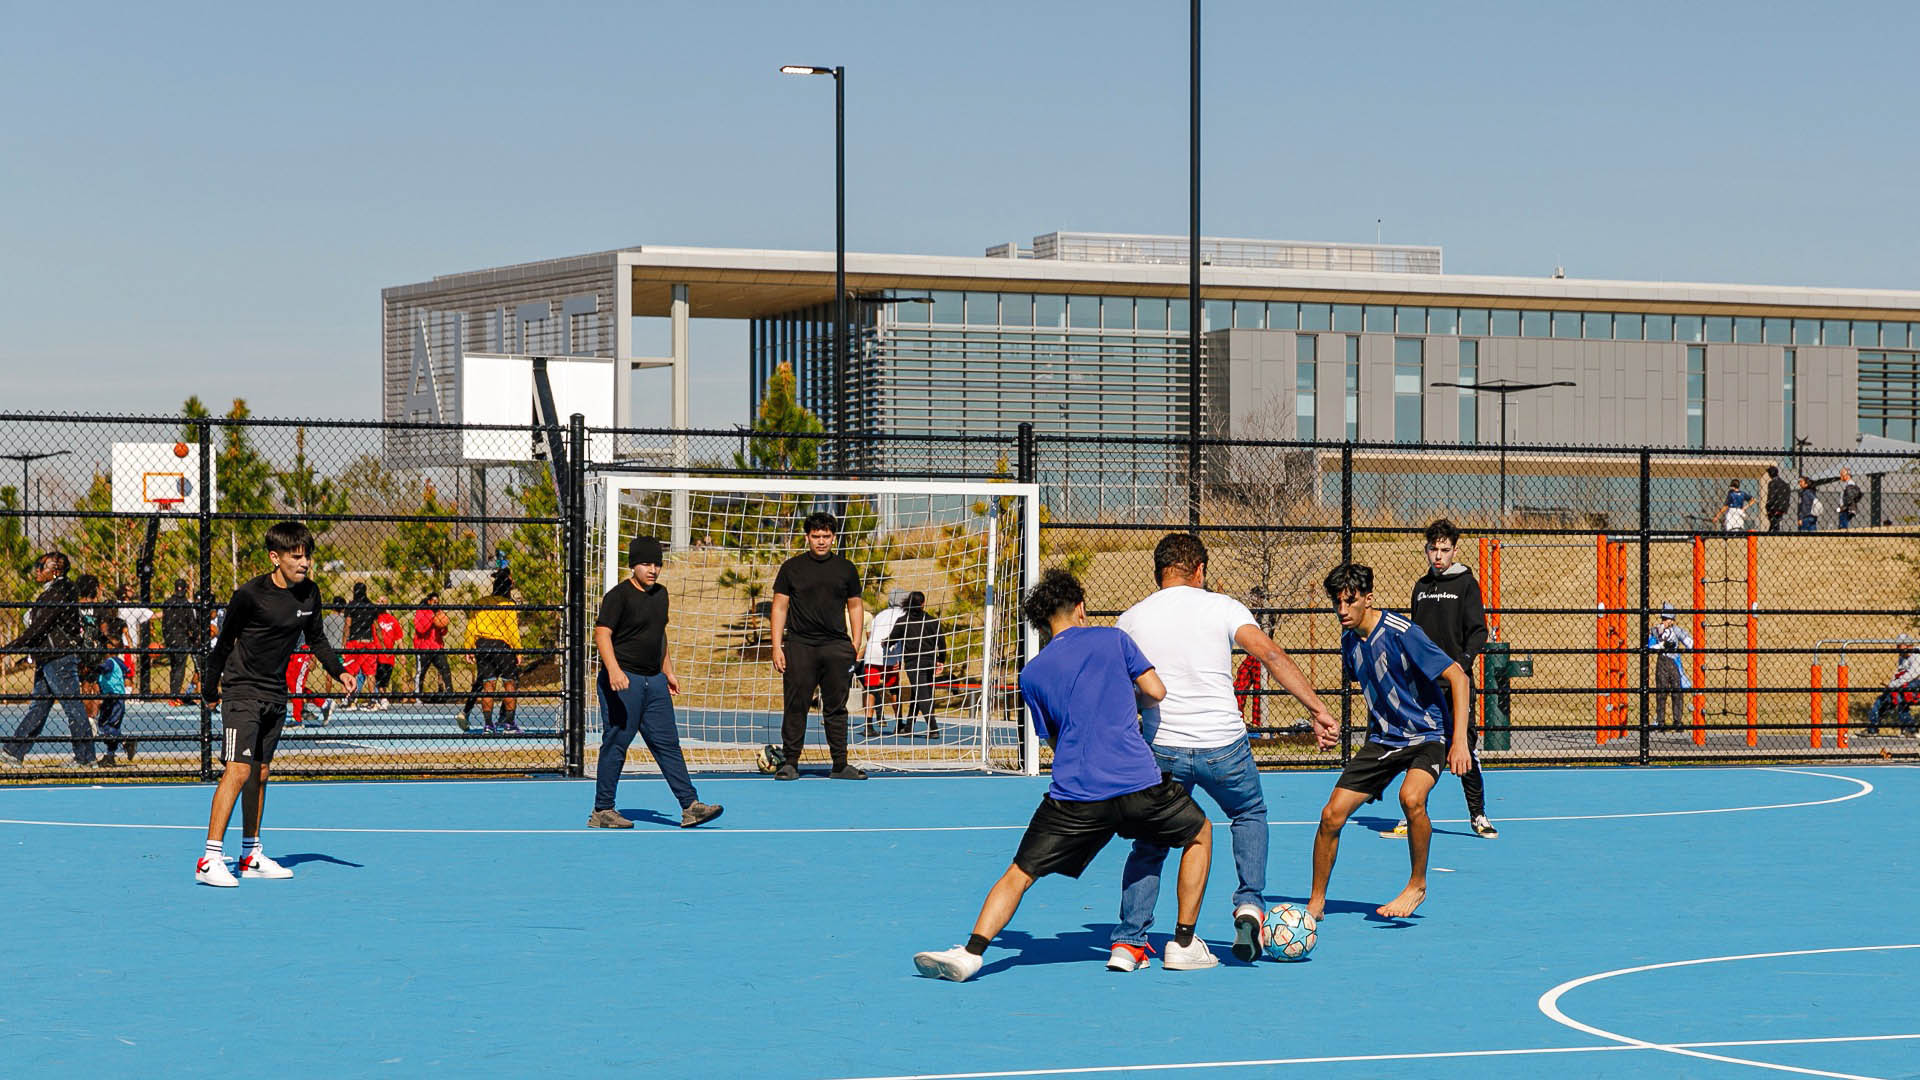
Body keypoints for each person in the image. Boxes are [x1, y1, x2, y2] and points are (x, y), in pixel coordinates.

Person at [911, 568, 1215, 982]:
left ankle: (971, 953)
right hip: (1139, 784)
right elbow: (1155, 691)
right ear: (1081, 608)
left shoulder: (1032, 674)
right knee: (1199, 833)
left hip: (1075, 795)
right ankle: (1182, 944)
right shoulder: (1114, 639)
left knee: (1019, 873)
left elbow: (1055, 738)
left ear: (1041, 625)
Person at [1110, 533, 1337, 970]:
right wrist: (1317, 709)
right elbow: (1269, 654)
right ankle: (1249, 905)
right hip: (1223, 745)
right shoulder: (1223, 607)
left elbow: (1121, 687)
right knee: (1248, 813)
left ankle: (1128, 943)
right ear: (1199, 570)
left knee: (1151, 841)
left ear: (1158, 573)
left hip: (1163, 749)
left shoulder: (1132, 619)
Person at [1306, 563, 1471, 922]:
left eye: (1350, 601)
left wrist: (1459, 741)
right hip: (1383, 741)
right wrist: (1330, 728)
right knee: (1331, 815)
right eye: (1336, 603)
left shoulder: (1403, 632)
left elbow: (1458, 677)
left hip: (1427, 735)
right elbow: (1378, 690)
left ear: (1368, 598)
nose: (1342, 610)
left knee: (1411, 798)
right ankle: (1316, 903)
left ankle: (1417, 885)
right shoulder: (1349, 641)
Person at [195, 521, 348, 887]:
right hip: (242, 690)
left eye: (307, 556)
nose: (304, 563)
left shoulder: (310, 594)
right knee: (238, 770)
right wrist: (210, 687)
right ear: (275, 558)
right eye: (296, 557)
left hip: (275, 692)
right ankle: (209, 859)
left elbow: (317, 639)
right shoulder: (249, 595)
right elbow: (224, 643)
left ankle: (250, 855)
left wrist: (339, 671)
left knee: (260, 772)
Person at [588, 535, 723, 829]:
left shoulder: (661, 594)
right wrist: (614, 671)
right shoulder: (618, 596)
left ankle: (690, 806)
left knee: (668, 744)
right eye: (646, 564)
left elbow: (658, 635)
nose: (652, 570)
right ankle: (602, 810)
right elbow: (602, 634)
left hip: (655, 682)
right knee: (617, 742)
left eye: (657, 564)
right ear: (633, 565)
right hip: (624, 681)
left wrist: (668, 671)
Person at [1400, 519, 1498, 839]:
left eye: (1444, 550)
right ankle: (1414, 814)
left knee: (1463, 747)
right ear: (1426, 551)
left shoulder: (1466, 584)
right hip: (1424, 686)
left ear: (1455, 550)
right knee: (1421, 747)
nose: (1438, 555)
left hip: (1456, 685)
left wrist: (1461, 665)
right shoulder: (1420, 587)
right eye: (1433, 549)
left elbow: (1478, 631)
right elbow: (1415, 635)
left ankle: (1478, 814)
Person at [769, 511, 867, 780]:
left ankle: (840, 764)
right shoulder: (791, 568)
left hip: (836, 647)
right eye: (816, 536)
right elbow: (779, 607)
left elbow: (855, 605)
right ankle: (790, 763)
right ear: (807, 538)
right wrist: (776, 646)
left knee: (836, 707)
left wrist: (856, 641)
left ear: (833, 537)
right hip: (800, 646)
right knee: (796, 705)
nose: (821, 541)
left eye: (826, 536)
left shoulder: (846, 569)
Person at [1, 552, 94, 768]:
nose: (37, 570)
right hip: (48, 656)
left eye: (41, 566)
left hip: (58, 657)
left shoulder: (58, 593)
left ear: (55, 571)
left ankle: (85, 758)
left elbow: (39, 627)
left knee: (72, 706)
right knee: (39, 707)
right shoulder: (59, 590)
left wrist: (8, 649)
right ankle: (13, 752)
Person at [463, 569, 521, 733]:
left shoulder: (480, 602)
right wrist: (518, 650)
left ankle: (488, 725)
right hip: (502, 645)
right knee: (509, 683)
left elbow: (471, 627)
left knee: (488, 685)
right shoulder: (507, 605)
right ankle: (509, 723)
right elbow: (512, 630)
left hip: (482, 645)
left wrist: (469, 647)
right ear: (508, 590)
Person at [891, 591, 948, 738]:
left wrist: (884, 642)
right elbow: (941, 643)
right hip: (929, 662)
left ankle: (933, 728)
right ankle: (909, 727)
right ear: (923, 604)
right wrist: (941, 659)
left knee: (922, 695)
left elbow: (891, 639)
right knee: (918, 693)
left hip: (913, 663)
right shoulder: (933, 621)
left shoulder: (903, 621)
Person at [859, 588, 907, 737]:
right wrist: (899, 658)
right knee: (893, 688)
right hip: (890, 653)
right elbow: (902, 638)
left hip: (872, 653)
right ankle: (899, 722)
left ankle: (868, 724)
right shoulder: (904, 614)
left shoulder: (880, 615)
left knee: (871, 688)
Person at [93, 616, 134, 766]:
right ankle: (110, 755)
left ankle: (125, 741)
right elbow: (126, 670)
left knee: (105, 724)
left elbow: (103, 668)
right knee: (112, 726)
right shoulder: (118, 661)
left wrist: (93, 666)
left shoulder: (110, 662)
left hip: (113, 698)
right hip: (114, 697)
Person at [1646, 602, 1693, 731]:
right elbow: (1649, 647)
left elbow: (1690, 643)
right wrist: (1662, 645)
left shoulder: (1677, 631)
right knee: (1661, 693)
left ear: (1672, 620)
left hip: (1674, 662)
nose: (1665, 621)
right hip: (1662, 662)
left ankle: (1677, 721)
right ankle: (1660, 721)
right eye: (1663, 618)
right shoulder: (1656, 631)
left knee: (1677, 692)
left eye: (1667, 619)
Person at [1867, 634, 1920, 737]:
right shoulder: (1902, 657)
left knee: (1900, 696)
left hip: (1916, 685)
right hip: (1903, 686)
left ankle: (1911, 729)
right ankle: (1872, 729)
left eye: (1899, 645)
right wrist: (1891, 684)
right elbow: (1898, 673)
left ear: (1908, 645)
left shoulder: (1917, 655)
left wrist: (1894, 685)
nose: (1897, 648)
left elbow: (1913, 674)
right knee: (1881, 700)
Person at [160, 579, 200, 704]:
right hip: (181, 637)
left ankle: (173, 694)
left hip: (170, 637)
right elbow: (192, 623)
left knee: (174, 666)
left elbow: (164, 623)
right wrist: (197, 635)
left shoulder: (168, 602)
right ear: (185, 589)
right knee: (180, 667)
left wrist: (166, 638)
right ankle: (175, 695)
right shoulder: (186, 603)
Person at [341, 582, 380, 709]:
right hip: (368, 642)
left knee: (350, 672)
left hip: (354, 642)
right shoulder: (371, 606)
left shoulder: (351, 606)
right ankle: (373, 701)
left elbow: (348, 625)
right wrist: (381, 643)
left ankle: (350, 700)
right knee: (370, 673)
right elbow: (377, 627)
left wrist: (344, 643)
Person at [411, 592, 453, 702]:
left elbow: (443, 633)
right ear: (429, 601)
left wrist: (443, 625)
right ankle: (418, 695)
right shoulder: (421, 612)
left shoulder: (439, 612)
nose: (436, 604)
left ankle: (450, 694)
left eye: (437, 602)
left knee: (445, 668)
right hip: (423, 648)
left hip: (437, 647)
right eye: (434, 601)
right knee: (421, 672)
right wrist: (432, 618)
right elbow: (421, 629)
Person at [370, 607, 403, 710]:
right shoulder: (374, 619)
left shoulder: (392, 620)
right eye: (379, 601)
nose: (381, 603)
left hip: (388, 655)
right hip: (376, 653)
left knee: (384, 679)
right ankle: (381, 699)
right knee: (376, 677)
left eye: (383, 601)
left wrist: (402, 654)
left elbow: (399, 637)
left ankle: (381, 698)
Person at [1764, 466, 1790, 533]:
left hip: (1774, 507)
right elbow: (1787, 496)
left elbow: (1771, 496)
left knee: (1774, 524)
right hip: (1782, 507)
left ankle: (1774, 533)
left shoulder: (1772, 483)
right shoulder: (1785, 484)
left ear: (1770, 474)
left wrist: (1767, 506)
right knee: (1775, 523)